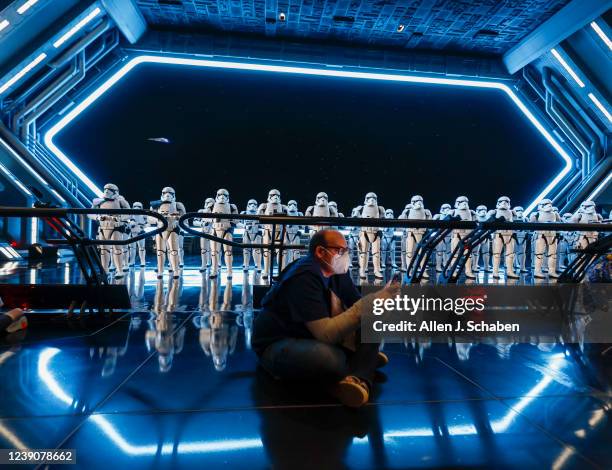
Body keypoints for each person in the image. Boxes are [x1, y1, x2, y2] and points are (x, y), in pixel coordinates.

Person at [252, 229, 399, 408]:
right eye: (340, 250)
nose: (345, 256)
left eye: (346, 251)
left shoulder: (337, 272)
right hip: (277, 343)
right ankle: (360, 363)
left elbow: (359, 306)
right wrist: (372, 302)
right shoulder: (304, 275)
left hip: (308, 335)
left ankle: (356, 378)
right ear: (320, 252)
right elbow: (326, 334)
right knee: (330, 360)